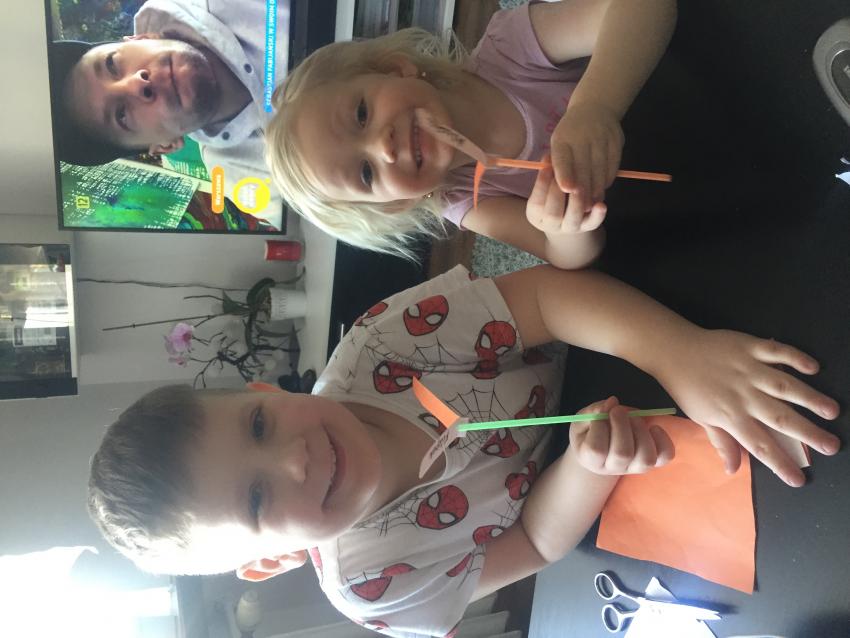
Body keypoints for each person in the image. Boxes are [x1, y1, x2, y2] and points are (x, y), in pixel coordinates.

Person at [88, 263, 839, 637]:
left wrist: (679, 353)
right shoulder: (372, 587)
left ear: (264, 389)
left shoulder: (382, 346)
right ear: (272, 561)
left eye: (258, 426)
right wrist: (587, 467)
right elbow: (534, 543)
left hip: (621, 335)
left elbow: (546, 298)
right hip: (625, 479)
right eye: (257, 500)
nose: (294, 460)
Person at [266, 0, 676, 265]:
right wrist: (561, 228)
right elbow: (568, 258)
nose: (382, 146)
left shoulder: (509, 47)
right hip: (674, 208)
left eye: (361, 114)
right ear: (396, 203)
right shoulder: (467, 201)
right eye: (366, 173)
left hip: (683, 92)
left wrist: (595, 106)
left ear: (394, 69)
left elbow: (643, 8)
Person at [48, 0, 288, 228]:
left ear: (140, 38)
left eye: (112, 64)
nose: (136, 84)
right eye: (121, 115)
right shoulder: (245, 177)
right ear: (165, 146)